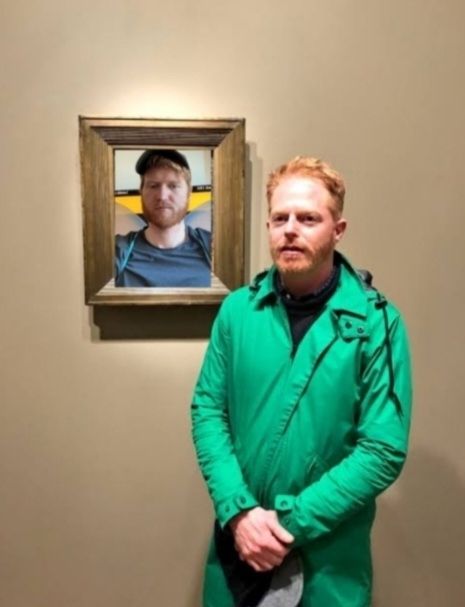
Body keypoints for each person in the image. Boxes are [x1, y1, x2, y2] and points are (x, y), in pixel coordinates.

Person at [191, 156, 412, 607]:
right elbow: (208, 411)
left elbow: (382, 450)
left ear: (338, 229)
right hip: (239, 549)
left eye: (308, 218)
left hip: (327, 561)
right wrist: (239, 511)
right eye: (280, 218)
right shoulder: (237, 312)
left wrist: (288, 524)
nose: (290, 229)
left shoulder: (378, 323)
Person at [115, 149, 211, 287]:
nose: (162, 196)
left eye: (173, 186)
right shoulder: (117, 250)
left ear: (189, 192)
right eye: (153, 186)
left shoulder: (214, 247)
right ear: (141, 191)